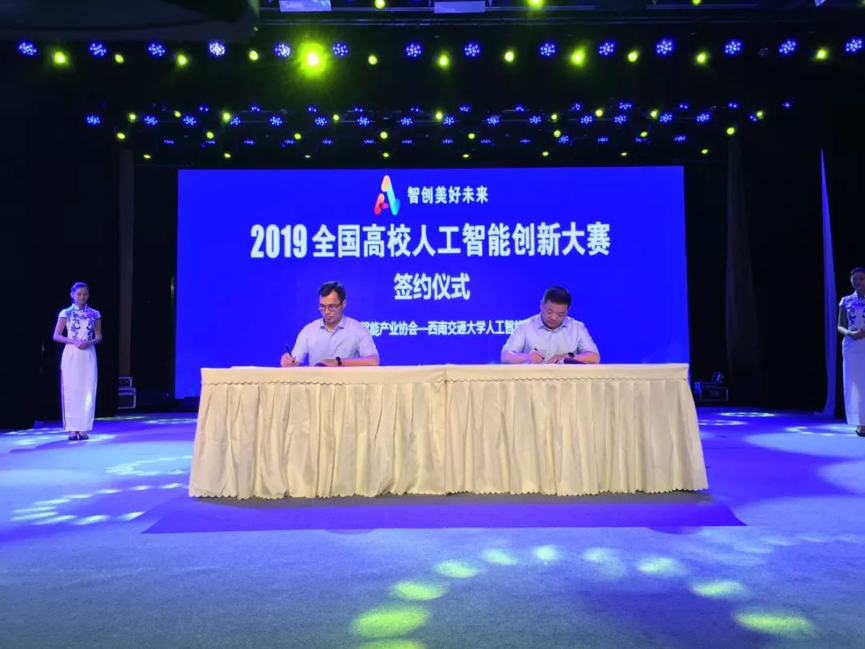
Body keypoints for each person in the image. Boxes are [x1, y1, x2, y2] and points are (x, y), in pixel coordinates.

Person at [281, 281, 380, 368]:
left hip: (347, 383)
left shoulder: (357, 329)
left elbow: (373, 361)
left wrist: (338, 362)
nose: (326, 312)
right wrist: (288, 362)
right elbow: (294, 363)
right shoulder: (309, 330)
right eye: (322, 306)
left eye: (332, 306)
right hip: (317, 383)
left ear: (343, 304)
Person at [53, 282, 102, 440]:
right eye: (79, 294)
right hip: (72, 353)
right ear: (72, 294)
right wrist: (74, 341)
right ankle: (72, 428)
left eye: (85, 294)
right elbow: (56, 335)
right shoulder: (66, 313)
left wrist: (88, 342)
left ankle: (83, 428)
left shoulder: (94, 313)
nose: (82, 297)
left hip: (88, 353)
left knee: (88, 390)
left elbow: (99, 336)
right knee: (71, 389)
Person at [501, 286, 600, 365]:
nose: (553, 317)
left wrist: (569, 357)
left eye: (560, 314)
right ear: (541, 305)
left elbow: (595, 358)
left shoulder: (577, 328)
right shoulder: (525, 327)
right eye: (549, 311)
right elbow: (505, 357)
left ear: (567, 311)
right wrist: (527, 357)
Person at [838, 267, 865, 437]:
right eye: (854, 278)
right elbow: (840, 326)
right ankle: (861, 422)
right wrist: (850, 333)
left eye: (861, 278)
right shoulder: (846, 300)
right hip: (852, 345)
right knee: (855, 385)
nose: (858, 281)